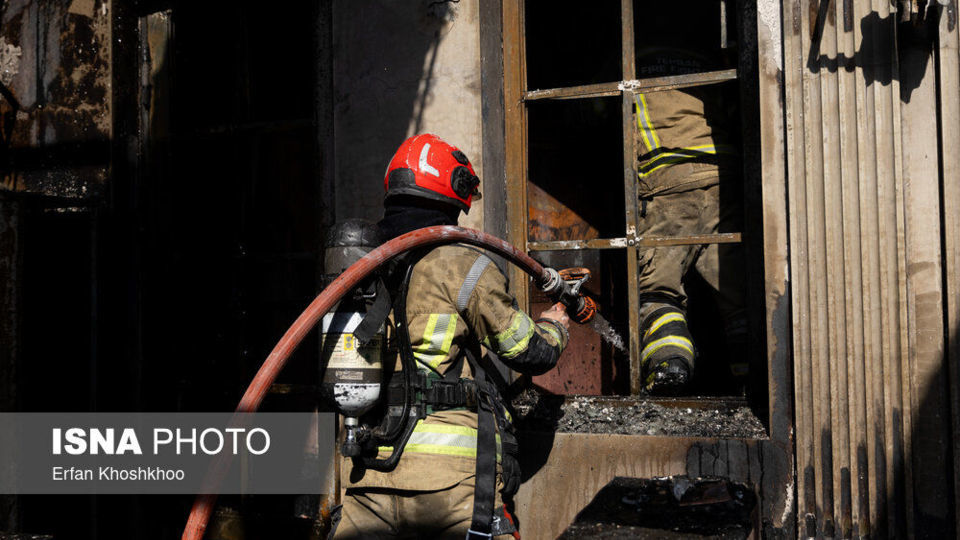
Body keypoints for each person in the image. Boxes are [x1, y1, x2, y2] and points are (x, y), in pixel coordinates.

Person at [332, 133, 570, 539]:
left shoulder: (357, 264)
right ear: (453, 193)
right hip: (447, 483)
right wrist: (556, 325)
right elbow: (529, 351)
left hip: (365, 471)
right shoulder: (462, 263)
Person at [633, 9, 747, 395]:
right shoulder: (707, 63)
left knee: (659, 290)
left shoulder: (633, 65)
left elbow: (599, 116)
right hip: (723, 178)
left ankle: (669, 372)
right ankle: (753, 379)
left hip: (668, 182)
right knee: (736, 295)